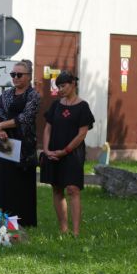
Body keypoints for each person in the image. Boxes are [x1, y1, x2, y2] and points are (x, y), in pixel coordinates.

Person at [41, 71, 95, 237]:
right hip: (54, 152)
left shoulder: (83, 106)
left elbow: (82, 134)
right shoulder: (56, 105)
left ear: (73, 84)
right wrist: (47, 150)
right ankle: (64, 229)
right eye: (58, 87)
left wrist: (65, 151)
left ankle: (76, 232)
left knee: (73, 189)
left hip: (73, 153)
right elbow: (48, 128)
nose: (61, 89)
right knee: (57, 189)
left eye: (63, 86)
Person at [0, 59, 41, 227]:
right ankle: (1, 218)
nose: (15, 78)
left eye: (19, 74)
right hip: (6, 143)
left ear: (28, 76)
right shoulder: (6, 94)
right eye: (13, 74)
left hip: (24, 145)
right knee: (4, 180)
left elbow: (25, 118)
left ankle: (23, 221)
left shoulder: (33, 95)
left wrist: (1, 125)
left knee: (22, 183)